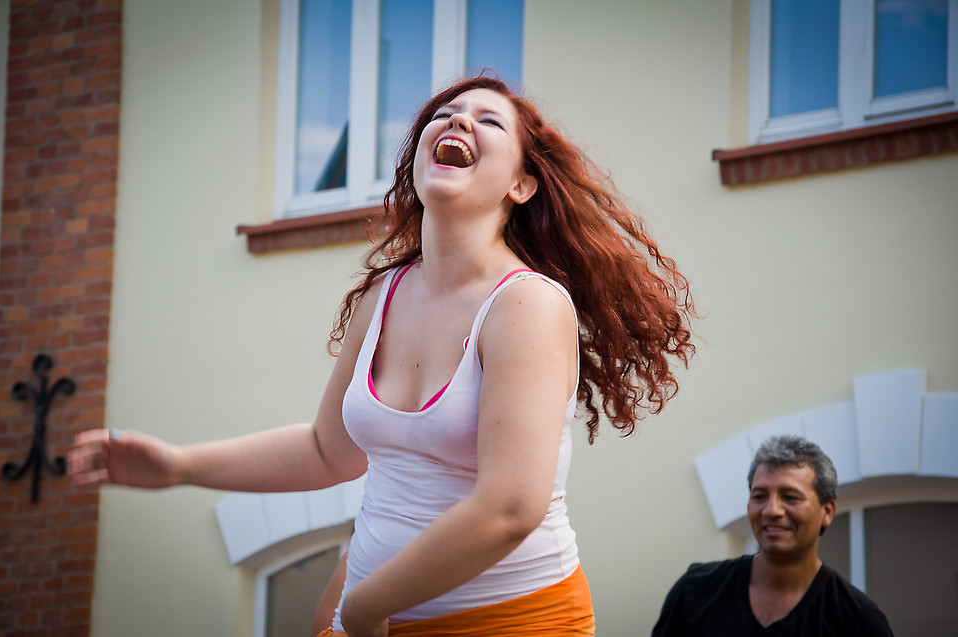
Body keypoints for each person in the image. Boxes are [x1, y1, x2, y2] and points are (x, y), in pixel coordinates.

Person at [69, 75, 696, 637]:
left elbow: (510, 508)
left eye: (488, 120)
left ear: (521, 184)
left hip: (511, 620)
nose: (458, 120)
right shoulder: (384, 294)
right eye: (445, 114)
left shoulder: (526, 304)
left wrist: (367, 605)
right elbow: (327, 451)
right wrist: (176, 466)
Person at [652, 434, 893, 636]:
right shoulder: (695, 592)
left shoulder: (858, 622)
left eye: (790, 497)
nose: (771, 510)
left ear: (827, 511)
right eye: (759, 496)